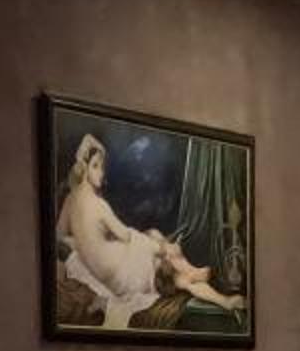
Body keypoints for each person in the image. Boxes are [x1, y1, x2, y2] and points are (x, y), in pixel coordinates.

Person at [55, 134, 242, 327]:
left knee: (156, 243)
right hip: (122, 276)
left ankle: (208, 288)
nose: (101, 173)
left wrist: (78, 242)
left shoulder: (70, 201)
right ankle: (191, 272)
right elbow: (124, 235)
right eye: (95, 166)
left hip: (111, 271)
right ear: (84, 168)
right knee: (156, 245)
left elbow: (59, 235)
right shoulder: (98, 204)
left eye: (102, 167)